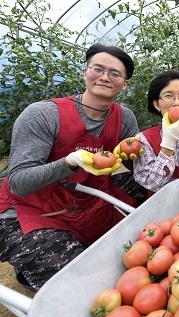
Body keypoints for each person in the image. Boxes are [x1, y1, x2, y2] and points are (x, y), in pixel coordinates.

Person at [0, 43, 146, 291]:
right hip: (30, 209)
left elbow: (131, 167)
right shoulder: (43, 114)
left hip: (86, 201)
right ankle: (32, 266)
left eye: (114, 74)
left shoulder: (124, 118)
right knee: (77, 278)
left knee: (128, 250)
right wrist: (70, 162)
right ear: (85, 72)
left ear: (125, 84)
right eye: (97, 69)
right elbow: (19, 182)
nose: (104, 77)